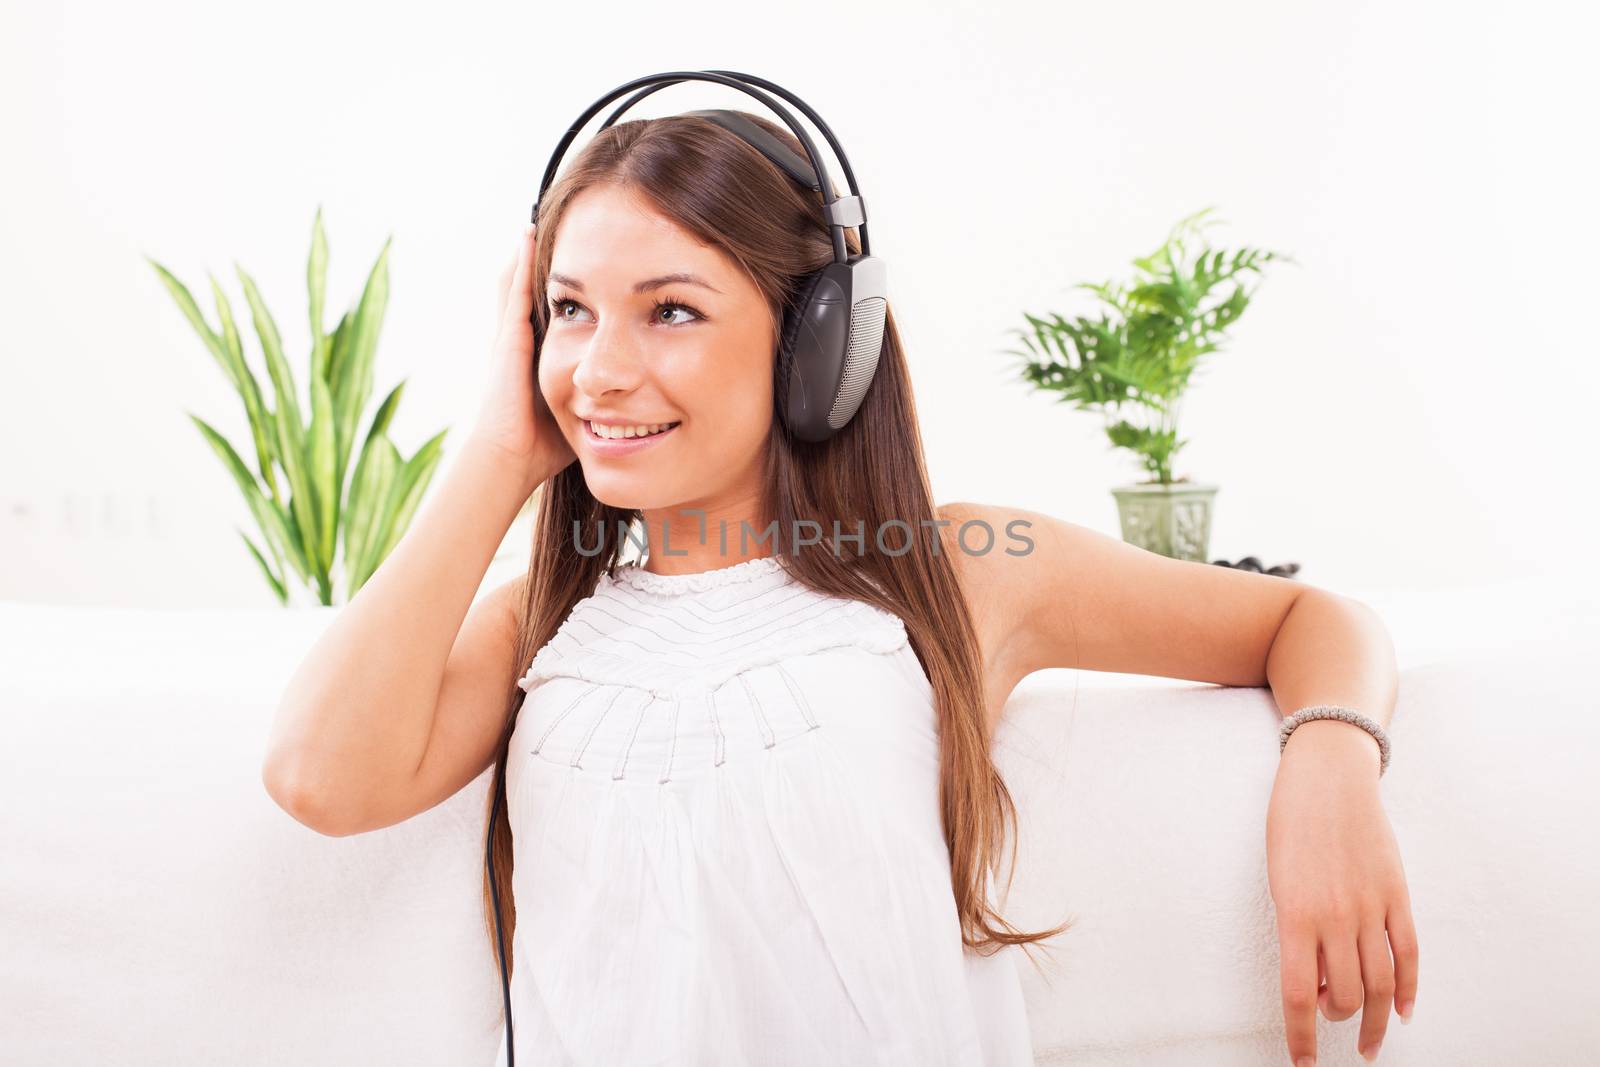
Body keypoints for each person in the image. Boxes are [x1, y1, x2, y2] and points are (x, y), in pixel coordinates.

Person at [262, 111, 1417, 1067]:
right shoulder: (545, 623)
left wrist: (1327, 765)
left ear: (817, 343)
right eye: (569, 310)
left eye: (670, 308)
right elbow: (317, 773)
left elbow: (1311, 621)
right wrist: (504, 450)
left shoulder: (955, 567)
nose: (599, 369)